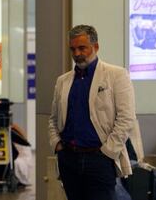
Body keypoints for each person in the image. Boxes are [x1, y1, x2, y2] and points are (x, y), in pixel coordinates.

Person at [48, 24, 136, 200]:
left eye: (82, 48)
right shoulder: (63, 81)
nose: (77, 54)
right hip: (69, 158)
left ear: (96, 47)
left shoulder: (116, 75)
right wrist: (57, 144)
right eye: (73, 49)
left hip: (100, 158)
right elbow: (54, 119)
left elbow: (126, 119)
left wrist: (108, 152)